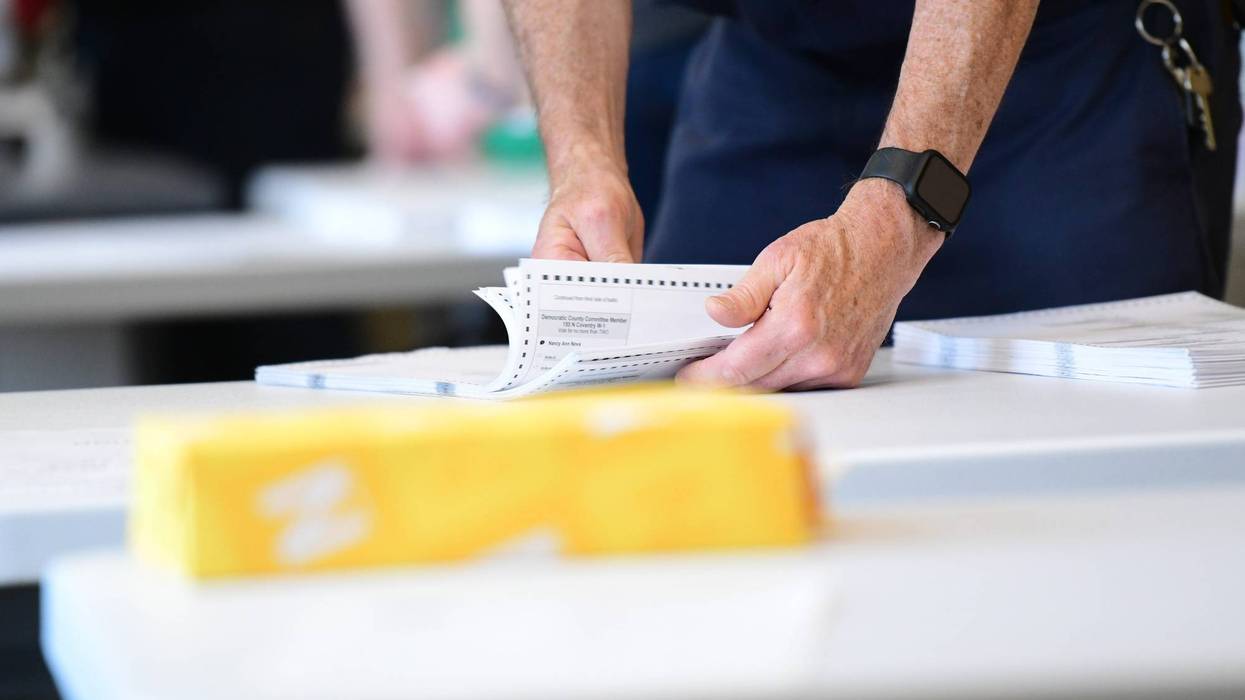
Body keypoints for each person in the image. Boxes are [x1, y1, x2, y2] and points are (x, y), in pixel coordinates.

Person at [501, 0, 1242, 391]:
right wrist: (582, 160)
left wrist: (905, 202)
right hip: (773, 57)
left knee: (1088, 466)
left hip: (1062, 67)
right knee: (691, 419)